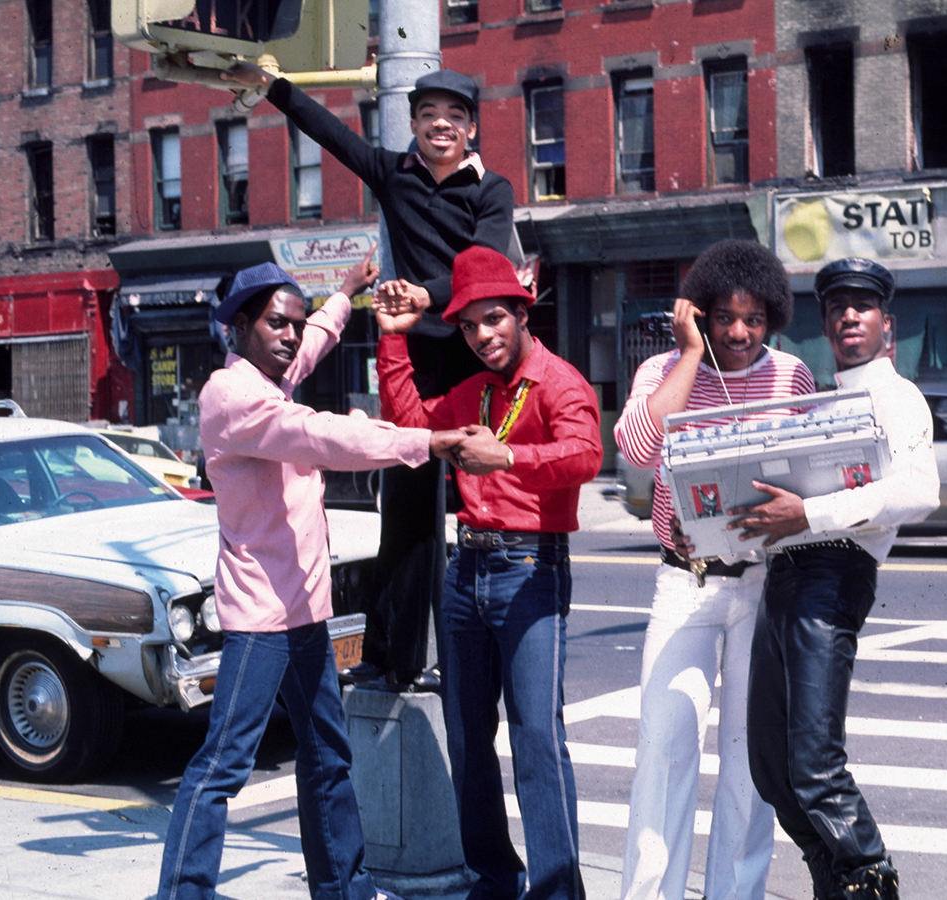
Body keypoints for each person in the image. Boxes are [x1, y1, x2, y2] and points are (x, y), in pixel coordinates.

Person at [158, 259, 466, 900]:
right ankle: (183, 893)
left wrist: (345, 292)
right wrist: (424, 441)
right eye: (276, 323)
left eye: (294, 324)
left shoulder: (271, 385)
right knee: (223, 764)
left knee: (328, 756)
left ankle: (343, 888)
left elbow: (320, 339)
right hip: (260, 618)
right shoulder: (231, 397)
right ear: (241, 326)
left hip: (305, 612)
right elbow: (319, 435)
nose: (291, 336)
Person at [222, 61, 517, 690]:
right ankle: (391, 658)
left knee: (480, 505)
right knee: (406, 510)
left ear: (471, 130)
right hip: (408, 358)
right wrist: (274, 83)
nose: (442, 125)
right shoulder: (393, 173)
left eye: (456, 116)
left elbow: (486, 266)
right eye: (430, 115)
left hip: (466, 355)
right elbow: (328, 132)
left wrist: (424, 294)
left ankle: (470, 658)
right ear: (413, 124)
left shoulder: (492, 190)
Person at [374, 245, 602, 900]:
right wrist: (394, 344)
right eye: (470, 325)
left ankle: (557, 891)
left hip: (531, 568)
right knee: (470, 740)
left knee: (537, 740)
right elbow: (412, 427)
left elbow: (587, 455)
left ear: (522, 313)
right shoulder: (473, 392)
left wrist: (509, 457)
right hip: (465, 565)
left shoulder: (559, 383)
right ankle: (492, 883)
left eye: (494, 319)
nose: (482, 336)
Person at [726, 257, 939, 900]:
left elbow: (919, 491)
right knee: (772, 767)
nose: (848, 315)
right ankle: (835, 885)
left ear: (886, 325)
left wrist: (808, 514)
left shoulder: (896, 397)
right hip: (783, 577)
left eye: (862, 306)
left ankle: (871, 884)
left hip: (835, 573)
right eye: (837, 307)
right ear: (824, 323)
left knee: (815, 765)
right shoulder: (820, 400)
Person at [613, 240, 816, 900]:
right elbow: (641, 450)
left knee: (749, 763)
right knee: (666, 750)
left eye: (753, 319)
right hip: (686, 579)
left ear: (773, 319)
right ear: (698, 313)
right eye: (724, 317)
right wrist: (691, 356)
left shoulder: (793, 376)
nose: (738, 332)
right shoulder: (663, 371)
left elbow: (811, 473)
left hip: (762, 585)